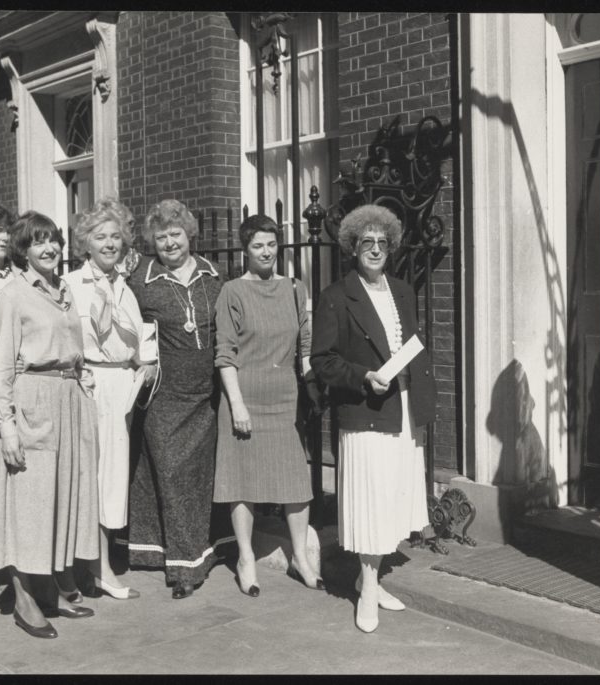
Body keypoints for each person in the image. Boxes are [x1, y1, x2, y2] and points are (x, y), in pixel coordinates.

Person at [310, 204, 435, 633]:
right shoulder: (335, 296)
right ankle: (366, 587)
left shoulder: (401, 291)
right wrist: (363, 376)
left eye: (383, 242)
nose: (376, 249)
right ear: (352, 247)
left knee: (392, 498)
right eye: (367, 242)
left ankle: (374, 579)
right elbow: (322, 361)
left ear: (392, 247)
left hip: (400, 407)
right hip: (366, 411)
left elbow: (411, 345)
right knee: (371, 500)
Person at [0, 210, 99, 639]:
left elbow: (73, 347)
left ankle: (49, 588)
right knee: (27, 506)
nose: (50, 249)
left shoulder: (62, 291)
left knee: (58, 500)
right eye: (39, 242)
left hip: (68, 403)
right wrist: (6, 425)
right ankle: (23, 598)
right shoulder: (12, 296)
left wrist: (84, 380)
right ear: (23, 250)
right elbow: (2, 368)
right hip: (32, 404)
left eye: (54, 241)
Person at [212, 214, 324, 597]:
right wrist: (237, 405)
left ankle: (301, 559)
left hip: (285, 399)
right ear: (246, 250)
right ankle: (245, 558)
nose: (265, 252)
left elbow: (305, 346)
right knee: (242, 483)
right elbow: (225, 354)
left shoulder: (295, 288)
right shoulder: (232, 292)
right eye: (257, 245)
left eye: (271, 244)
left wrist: (311, 387)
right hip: (244, 398)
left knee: (296, 484)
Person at [126, 198, 231, 599]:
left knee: (198, 478)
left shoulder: (213, 275)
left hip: (207, 394)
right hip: (164, 395)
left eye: (176, 234)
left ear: (189, 235)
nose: (170, 242)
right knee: (170, 473)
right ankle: (182, 567)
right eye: (162, 236)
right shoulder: (142, 280)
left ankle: (193, 556)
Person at [62, 199, 154, 601]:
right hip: (90, 386)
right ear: (85, 243)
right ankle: (94, 568)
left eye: (116, 236)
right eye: (101, 236)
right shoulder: (71, 285)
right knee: (92, 479)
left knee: (112, 479)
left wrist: (146, 364)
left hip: (123, 390)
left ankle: (96, 567)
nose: (110, 243)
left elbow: (139, 338)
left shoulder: (124, 287)